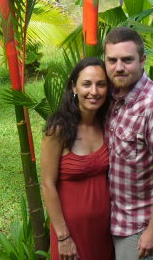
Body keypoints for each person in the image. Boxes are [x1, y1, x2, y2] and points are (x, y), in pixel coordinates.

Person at [103, 27, 153, 260]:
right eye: (112, 60)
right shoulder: (113, 96)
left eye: (127, 60)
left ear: (142, 60)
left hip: (141, 225)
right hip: (118, 219)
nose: (119, 67)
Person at [41, 57, 115, 260]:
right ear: (74, 86)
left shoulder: (106, 123)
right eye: (86, 84)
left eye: (101, 84)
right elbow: (47, 185)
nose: (94, 91)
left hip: (104, 230)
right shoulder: (58, 130)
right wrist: (63, 237)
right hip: (71, 232)